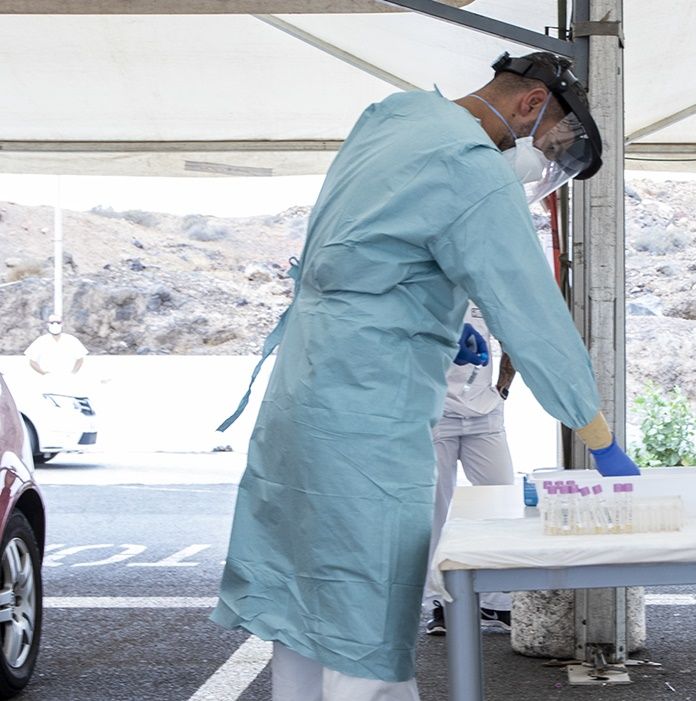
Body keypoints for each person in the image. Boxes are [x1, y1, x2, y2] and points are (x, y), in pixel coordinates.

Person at [211, 51, 639, 700]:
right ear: (529, 105)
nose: (544, 162)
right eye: (550, 143)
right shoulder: (473, 170)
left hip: (298, 401)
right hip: (368, 421)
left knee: (300, 616)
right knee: (365, 635)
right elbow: (533, 316)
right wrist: (600, 436)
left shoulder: (392, 117)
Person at [422, 306, 516, 637]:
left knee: (500, 499)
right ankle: (441, 602)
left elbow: (512, 340)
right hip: (436, 413)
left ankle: (497, 602)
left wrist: (501, 389)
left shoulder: (485, 287)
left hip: (485, 413)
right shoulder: (427, 287)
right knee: (434, 509)